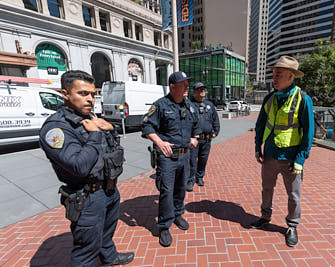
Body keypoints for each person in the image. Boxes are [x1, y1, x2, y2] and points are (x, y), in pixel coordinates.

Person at [39, 70, 134, 267]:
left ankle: (109, 257)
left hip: (108, 189)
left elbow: (108, 149)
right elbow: (78, 166)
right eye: (83, 94)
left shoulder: (90, 117)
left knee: (107, 232)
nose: (90, 99)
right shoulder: (56, 128)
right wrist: (95, 135)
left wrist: (110, 128)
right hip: (87, 197)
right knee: (86, 251)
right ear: (65, 94)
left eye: (92, 94)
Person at [252, 56, 314, 247]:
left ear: (291, 76)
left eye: (279, 74)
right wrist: (257, 147)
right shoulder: (270, 98)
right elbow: (261, 124)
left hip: (291, 158)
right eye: (274, 74)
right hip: (270, 154)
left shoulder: (303, 99)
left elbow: (308, 132)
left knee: (293, 195)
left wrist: (300, 160)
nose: (274, 78)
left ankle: (292, 226)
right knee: (267, 189)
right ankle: (265, 216)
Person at [141, 71, 201, 247]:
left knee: (181, 188)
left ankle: (177, 214)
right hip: (168, 157)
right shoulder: (160, 105)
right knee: (166, 190)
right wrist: (159, 142)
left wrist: (195, 138)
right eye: (183, 84)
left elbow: (196, 124)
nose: (187, 87)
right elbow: (146, 126)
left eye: (187, 84)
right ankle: (164, 225)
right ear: (173, 87)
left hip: (185, 156)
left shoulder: (189, 105)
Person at [186, 82, 220, 192]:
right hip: (194, 140)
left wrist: (216, 132)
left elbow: (216, 120)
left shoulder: (210, 105)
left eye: (203, 90)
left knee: (203, 160)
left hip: (206, 139)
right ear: (194, 92)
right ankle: (190, 180)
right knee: (192, 160)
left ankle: (199, 177)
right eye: (200, 90)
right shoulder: (189, 105)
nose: (202, 92)